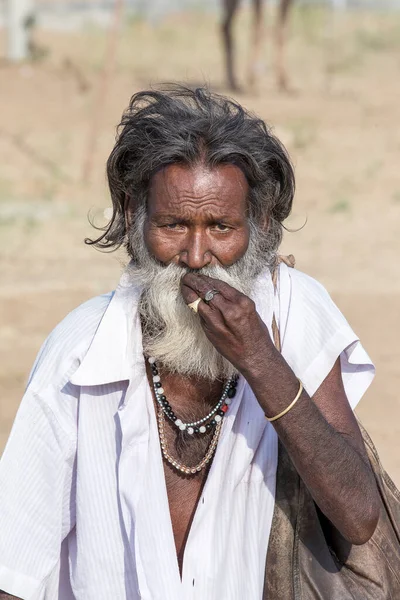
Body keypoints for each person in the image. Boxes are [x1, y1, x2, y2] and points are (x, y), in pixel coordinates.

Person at [0, 86, 380, 600]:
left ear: (260, 222)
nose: (197, 255)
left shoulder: (293, 314)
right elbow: (13, 569)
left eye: (221, 226)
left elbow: (358, 517)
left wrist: (262, 362)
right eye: (174, 225)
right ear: (136, 215)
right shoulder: (79, 350)